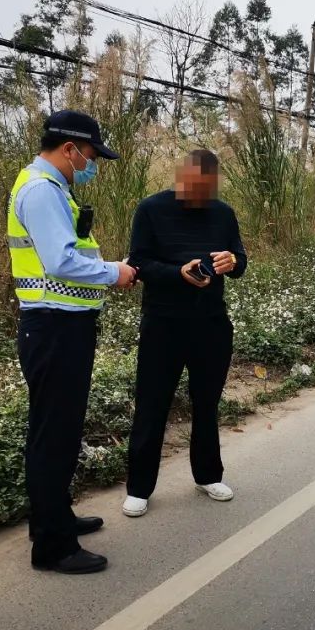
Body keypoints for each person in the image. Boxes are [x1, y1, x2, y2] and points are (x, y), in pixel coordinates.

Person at [10, 109, 137, 574]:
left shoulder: (49, 186)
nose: (92, 165)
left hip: (58, 326)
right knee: (55, 436)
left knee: (53, 431)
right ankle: (53, 547)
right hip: (55, 327)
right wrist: (114, 272)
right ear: (69, 149)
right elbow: (62, 261)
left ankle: (53, 517)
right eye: (90, 156)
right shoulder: (42, 191)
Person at [123, 149, 247, 518]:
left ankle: (208, 475)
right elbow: (138, 264)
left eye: (207, 189)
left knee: (206, 404)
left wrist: (232, 261)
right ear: (182, 178)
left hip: (211, 324)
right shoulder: (151, 209)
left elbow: (239, 259)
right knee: (152, 405)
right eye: (194, 187)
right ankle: (139, 488)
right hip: (163, 324)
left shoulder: (223, 213)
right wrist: (178, 273)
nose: (200, 195)